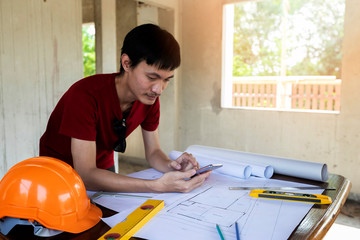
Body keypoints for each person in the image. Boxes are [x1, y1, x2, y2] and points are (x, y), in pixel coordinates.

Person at [39, 24, 211, 193]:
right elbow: (86, 175)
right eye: (152, 77)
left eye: (167, 80)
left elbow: (153, 152)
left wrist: (172, 167)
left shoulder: (149, 100)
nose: (159, 89)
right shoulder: (85, 96)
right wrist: (156, 186)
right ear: (127, 63)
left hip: (102, 167)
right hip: (58, 174)